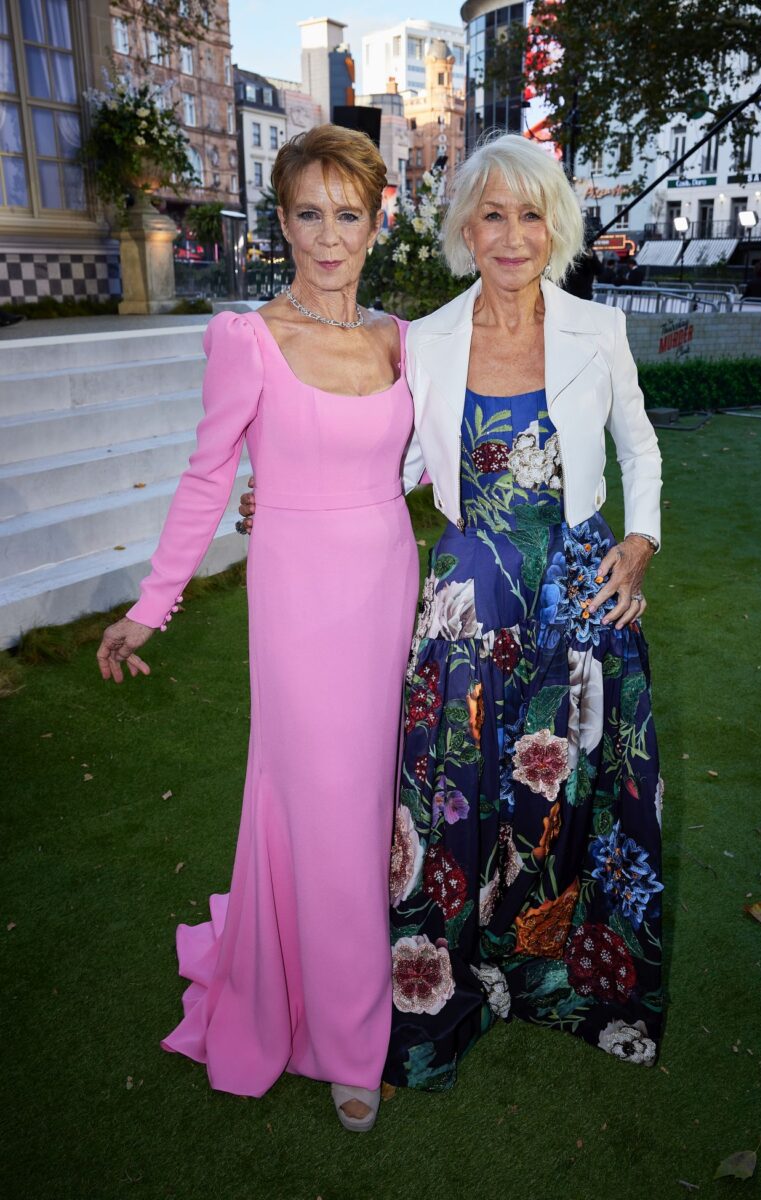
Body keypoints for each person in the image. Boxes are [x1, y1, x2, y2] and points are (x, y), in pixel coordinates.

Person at [241, 134, 666, 1090]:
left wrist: (639, 542)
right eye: (492, 215)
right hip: (470, 593)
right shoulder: (424, 339)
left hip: (577, 586)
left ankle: (554, 972)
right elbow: (390, 457)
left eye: (530, 215)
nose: (511, 236)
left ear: (554, 228)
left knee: (564, 790)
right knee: (457, 790)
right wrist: (290, 492)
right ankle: (454, 977)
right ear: (465, 230)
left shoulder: (598, 329)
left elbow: (638, 447)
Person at [95, 125, 421, 1132]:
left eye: (347, 215)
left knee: (363, 802)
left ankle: (323, 973)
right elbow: (207, 479)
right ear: (281, 222)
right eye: (308, 215)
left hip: (386, 585)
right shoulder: (247, 339)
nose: (328, 238)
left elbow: (415, 463)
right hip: (298, 599)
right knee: (323, 799)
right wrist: (151, 605)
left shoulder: (401, 340)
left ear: (377, 224)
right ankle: (347, 1039)